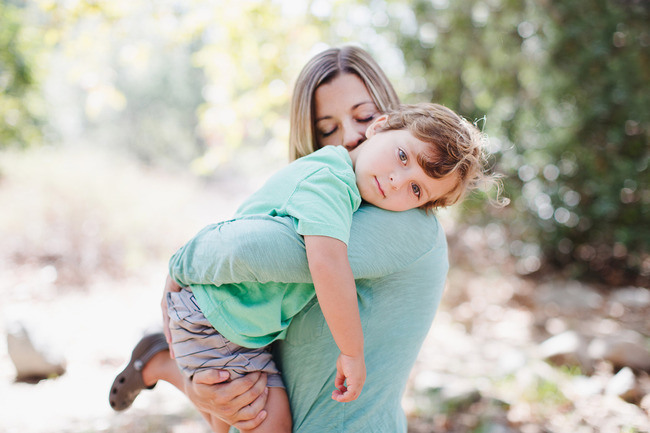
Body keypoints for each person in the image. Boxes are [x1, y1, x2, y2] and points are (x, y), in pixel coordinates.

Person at [109, 46, 493, 432]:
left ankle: (163, 360)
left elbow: (247, 252)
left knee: (240, 411)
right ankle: (169, 361)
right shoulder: (328, 185)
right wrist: (199, 380)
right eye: (328, 129)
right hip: (227, 327)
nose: (351, 137)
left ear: (386, 118)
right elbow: (253, 255)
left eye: (364, 115)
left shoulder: (403, 222)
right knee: (240, 409)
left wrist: (183, 266)